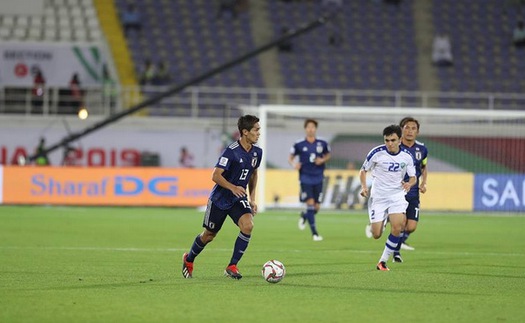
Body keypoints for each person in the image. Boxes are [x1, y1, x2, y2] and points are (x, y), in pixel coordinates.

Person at [182, 115, 262, 279]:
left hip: (238, 199)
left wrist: (252, 199)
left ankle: (232, 266)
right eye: (256, 130)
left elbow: (254, 174)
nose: (259, 133)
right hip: (220, 199)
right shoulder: (231, 151)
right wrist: (232, 187)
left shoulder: (257, 153)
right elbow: (216, 175)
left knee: (248, 225)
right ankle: (189, 259)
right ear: (245, 132)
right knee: (209, 235)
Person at [359, 124, 416, 271]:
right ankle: (382, 221)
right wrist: (364, 187)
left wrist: (409, 184)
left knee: (398, 226)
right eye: (387, 140)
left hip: (397, 195)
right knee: (376, 234)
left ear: (399, 140)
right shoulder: (376, 153)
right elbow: (363, 171)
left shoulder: (407, 156)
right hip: (378, 197)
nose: (389, 143)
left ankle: (382, 262)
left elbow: (413, 177)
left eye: (393, 140)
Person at [288, 119, 331, 241]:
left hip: (318, 177)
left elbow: (328, 155)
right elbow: (290, 157)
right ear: (305, 129)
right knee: (310, 203)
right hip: (305, 177)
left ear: (315, 129)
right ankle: (315, 233)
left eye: (313, 127)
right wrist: (294, 164)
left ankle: (305, 215)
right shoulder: (299, 144)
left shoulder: (322, 143)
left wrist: (322, 160)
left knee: (316, 207)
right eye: (308, 127)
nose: (311, 129)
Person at [392, 117, 428, 259]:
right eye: (407, 127)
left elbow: (424, 167)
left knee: (411, 226)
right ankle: (396, 252)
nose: (410, 131)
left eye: (413, 128)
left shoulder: (422, 149)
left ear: (417, 132)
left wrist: (423, 183)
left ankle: (398, 243)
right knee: (400, 223)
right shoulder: (395, 147)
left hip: (413, 192)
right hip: (397, 191)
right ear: (401, 129)